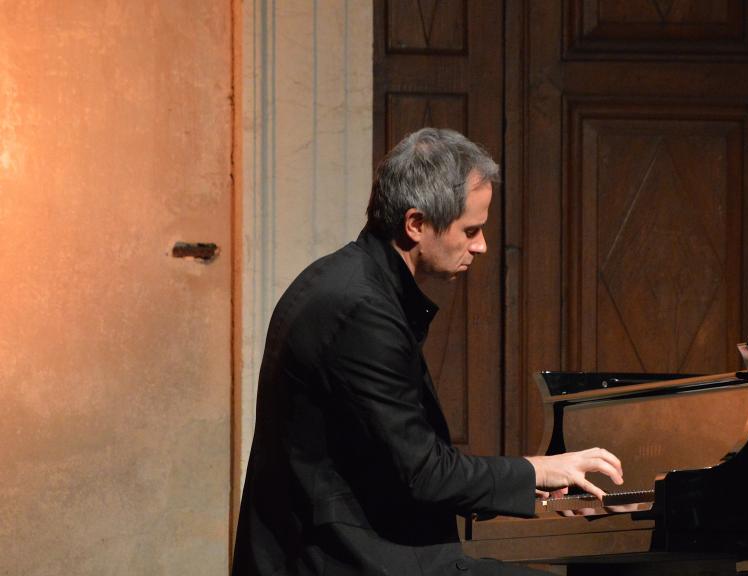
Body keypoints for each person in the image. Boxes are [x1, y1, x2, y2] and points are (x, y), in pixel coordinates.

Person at [232, 128, 625, 576]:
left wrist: (531, 488)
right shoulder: (360, 308)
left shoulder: (351, 282)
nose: (481, 246)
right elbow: (423, 473)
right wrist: (537, 471)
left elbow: (390, 462)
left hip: (358, 543)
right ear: (416, 224)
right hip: (343, 557)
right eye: (470, 230)